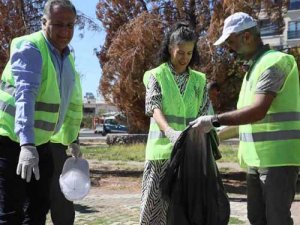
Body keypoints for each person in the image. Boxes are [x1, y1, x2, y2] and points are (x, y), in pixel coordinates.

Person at [190, 12, 300, 225]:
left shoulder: (275, 62)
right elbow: (246, 123)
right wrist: (214, 138)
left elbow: (257, 112)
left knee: (276, 219)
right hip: (256, 161)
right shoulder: (253, 71)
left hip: (278, 160)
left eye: (231, 41)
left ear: (247, 37)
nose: (230, 48)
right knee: (256, 218)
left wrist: (212, 120)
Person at [0, 0, 83, 224]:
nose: (65, 32)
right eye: (58, 24)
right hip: (11, 141)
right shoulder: (31, 48)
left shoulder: (66, 56)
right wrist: (26, 145)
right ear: (43, 22)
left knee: (38, 208)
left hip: (41, 143)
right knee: (11, 212)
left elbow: (71, 102)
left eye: (70, 25)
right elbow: (24, 96)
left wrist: (73, 138)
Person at [140, 21, 211, 224]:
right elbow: (154, 107)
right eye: (180, 52)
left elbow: (205, 113)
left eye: (189, 53)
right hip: (161, 155)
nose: (185, 58)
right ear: (170, 48)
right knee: (154, 212)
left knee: (185, 213)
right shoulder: (156, 75)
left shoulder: (199, 81)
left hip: (190, 157)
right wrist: (170, 132)